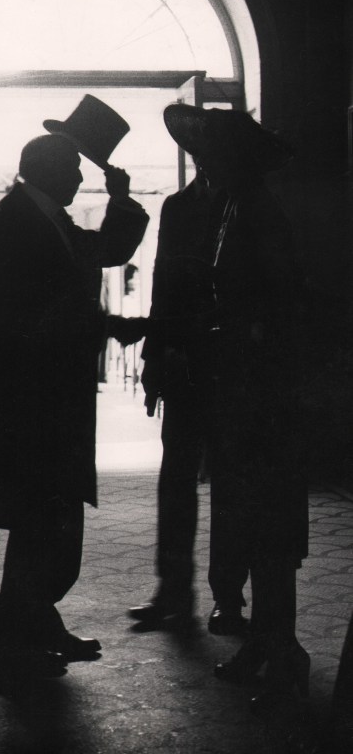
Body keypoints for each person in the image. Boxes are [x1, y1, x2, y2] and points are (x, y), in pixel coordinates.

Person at [0, 118, 149, 688]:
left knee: (50, 518)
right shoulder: (7, 224)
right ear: (48, 169)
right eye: (74, 168)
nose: (80, 177)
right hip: (31, 399)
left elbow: (104, 250)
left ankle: (33, 624)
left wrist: (121, 200)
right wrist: (105, 324)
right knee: (40, 516)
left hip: (48, 395)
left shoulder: (45, 220)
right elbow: (36, 310)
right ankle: (15, 636)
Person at [162, 103, 309, 714]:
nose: (204, 162)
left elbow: (281, 306)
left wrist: (236, 337)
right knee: (251, 521)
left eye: (213, 155)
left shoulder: (258, 214)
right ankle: (270, 644)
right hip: (242, 394)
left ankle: (282, 648)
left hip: (261, 400)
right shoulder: (235, 208)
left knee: (268, 525)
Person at [129, 165, 249, 634]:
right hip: (184, 360)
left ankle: (228, 596)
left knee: (229, 483)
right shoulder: (177, 207)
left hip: (230, 361)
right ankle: (174, 589)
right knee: (176, 477)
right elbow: (162, 282)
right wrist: (154, 357)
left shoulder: (240, 203)